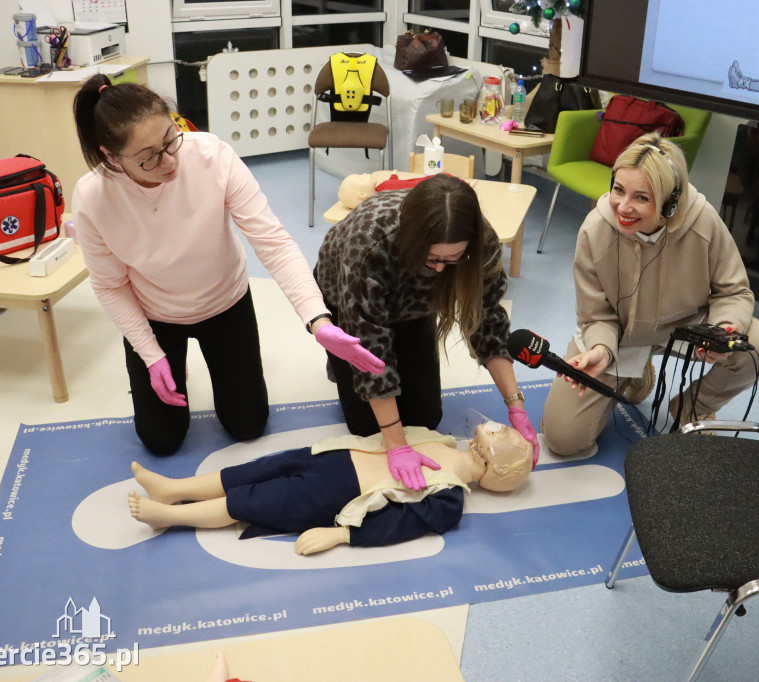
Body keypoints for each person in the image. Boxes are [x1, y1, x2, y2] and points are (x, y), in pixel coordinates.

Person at [71, 75, 384, 456]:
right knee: (160, 441)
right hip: (155, 311)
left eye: (170, 139)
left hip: (224, 302)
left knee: (248, 426)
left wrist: (317, 319)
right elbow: (109, 285)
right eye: (149, 156)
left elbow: (273, 242)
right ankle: (171, 363)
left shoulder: (212, 156)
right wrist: (151, 356)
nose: (169, 161)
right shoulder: (93, 197)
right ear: (111, 156)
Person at [540, 132, 759, 456]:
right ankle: (634, 373)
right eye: (618, 190)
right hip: (620, 336)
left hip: (687, 328)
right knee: (563, 439)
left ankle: (693, 407)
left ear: (670, 202)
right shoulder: (595, 231)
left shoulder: (703, 222)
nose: (623, 207)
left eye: (642, 197)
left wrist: (725, 329)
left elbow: (733, 291)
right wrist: (600, 348)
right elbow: (596, 314)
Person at [313, 173, 539, 489]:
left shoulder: (480, 239)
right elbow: (370, 349)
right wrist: (396, 445)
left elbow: (488, 321)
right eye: (433, 258)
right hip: (347, 297)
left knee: (425, 421)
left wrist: (515, 405)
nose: (441, 268)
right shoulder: (369, 243)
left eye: (453, 259)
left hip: (415, 304)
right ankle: (338, 363)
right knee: (369, 430)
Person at [127, 421, 534, 554]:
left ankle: (171, 515)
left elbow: (402, 524)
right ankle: (172, 488)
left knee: (253, 501)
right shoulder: (441, 439)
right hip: (332, 457)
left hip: (335, 496)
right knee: (253, 472)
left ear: (498, 471)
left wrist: (341, 534)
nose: (485, 434)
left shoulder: (448, 498)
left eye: (501, 441)